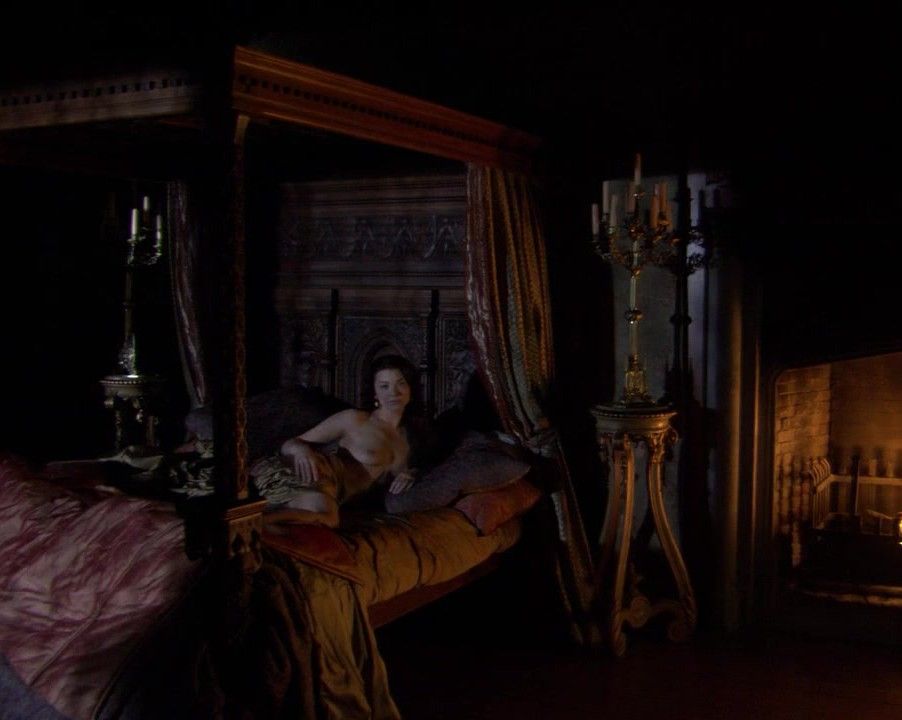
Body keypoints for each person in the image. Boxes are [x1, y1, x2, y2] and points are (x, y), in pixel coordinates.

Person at [269, 354, 421, 527]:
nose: (393, 393)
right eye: (384, 386)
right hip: (315, 473)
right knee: (327, 518)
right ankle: (253, 523)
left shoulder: (412, 437)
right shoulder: (355, 419)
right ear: (375, 393)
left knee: (326, 518)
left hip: (335, 496)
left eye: (401, 383)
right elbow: (291, 443)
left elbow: (422, 470)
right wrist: (302, 451)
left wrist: (412, 473)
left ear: (411, 388)